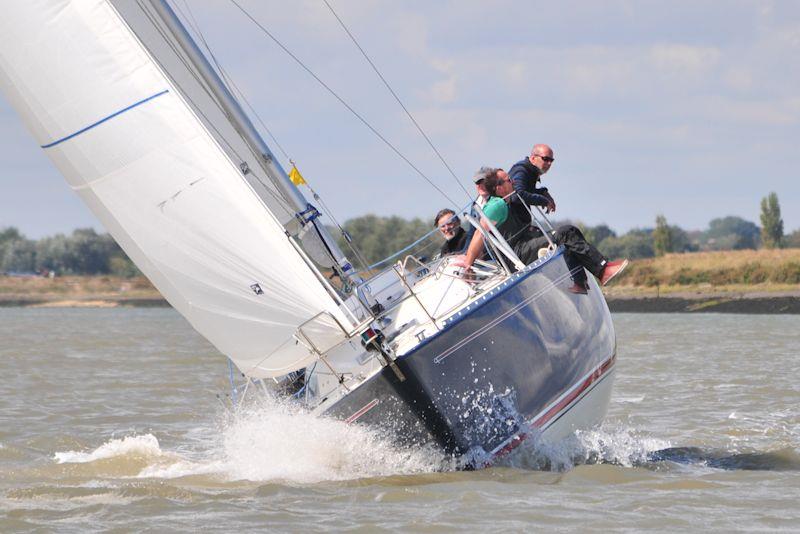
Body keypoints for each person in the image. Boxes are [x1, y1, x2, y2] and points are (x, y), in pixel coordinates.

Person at [455, 168, 628, 287]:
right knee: (565, 233)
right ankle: (603, 270)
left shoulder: (505, 201)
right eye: (509, 180)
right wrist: (468, 266)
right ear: (499, 187)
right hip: (517, 253)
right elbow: (480, 233)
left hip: (522, 247)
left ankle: (580, 283)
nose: (513, 181)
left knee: (569, 232)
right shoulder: (497, 205)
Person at [509, 144, 557, 221]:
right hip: (510, 224)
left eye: (551, 160)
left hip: (519, 222)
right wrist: (543, 201)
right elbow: (517, 195)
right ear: (533, 158)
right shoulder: (521, 170)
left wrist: (543, 193)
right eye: (545, 159)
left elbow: (527, 191)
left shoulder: (531, 172)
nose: (549, 163)